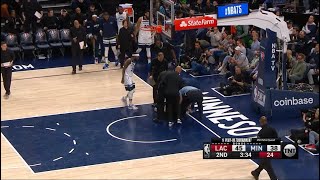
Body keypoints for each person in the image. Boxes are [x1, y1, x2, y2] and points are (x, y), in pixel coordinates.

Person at [251, 116, 278, 180]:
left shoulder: (260, 133)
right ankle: (256, 172)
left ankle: (273, 179)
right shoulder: (272, 129)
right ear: (266, 121)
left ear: (261, 122)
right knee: (265, 163)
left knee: (268, 166)